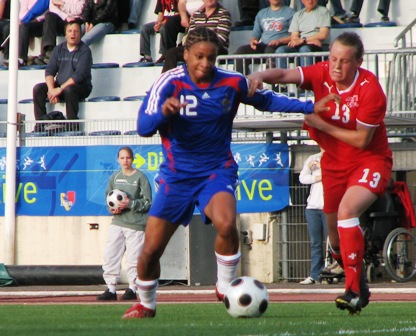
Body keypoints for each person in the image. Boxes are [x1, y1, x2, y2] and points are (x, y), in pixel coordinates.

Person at [121, 26, 338, 319]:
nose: (206, 64)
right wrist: (163, 113)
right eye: (199, 57)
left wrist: (310, 105)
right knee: (150, 250)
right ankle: (146, 304)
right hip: (177, 176)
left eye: (211, 58)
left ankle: (224, 286)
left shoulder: (231, 82)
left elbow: (268, 100)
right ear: (186, 55)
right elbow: (143, 127)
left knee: (226, 225)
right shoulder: (168, 83)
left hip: (216, 170)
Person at [247, 31, 393, 315]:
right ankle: (358, 280)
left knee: (347, 212)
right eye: (333, 58)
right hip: (333, 164)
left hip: (369, 161)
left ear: (359, 62)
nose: (336, 66)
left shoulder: (370, 90)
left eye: (345, 61)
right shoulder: (322, 73)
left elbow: (362, 140)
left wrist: (322, 126)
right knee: (335, 239)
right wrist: (260, 75)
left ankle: (351, 291)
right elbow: (286, 75)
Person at [97, 146, 152, 301]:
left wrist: (130, 204)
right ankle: (111, 289)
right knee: (111, 255)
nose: (125, 161)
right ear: (118, 160)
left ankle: (133, 288)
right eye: (122, 158)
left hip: (136, 225)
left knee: (134, 258)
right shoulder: (114, 177)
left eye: (128, 158)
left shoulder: (140, 178)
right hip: (118, 222)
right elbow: (108, 197)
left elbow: (148, 202)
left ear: (132, 159)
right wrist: (112, 209)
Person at [33, 20, 92, 132]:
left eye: (76, 31)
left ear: (81, 34)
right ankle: (41, 124)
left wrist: (59, 89)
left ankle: (73, 124)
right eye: (70, 31)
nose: (73, 34)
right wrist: (51, 90)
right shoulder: (59, 49)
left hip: (80, 87)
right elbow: (50, 70)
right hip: (60, 86)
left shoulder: (85, 51)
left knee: (70, 89)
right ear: (65, 34)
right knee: (38, 89)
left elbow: (79, 75)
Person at [161, 0, 231, 73]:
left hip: (216, 49)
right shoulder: (197, 14)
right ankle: (167, 81)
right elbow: (191, 35)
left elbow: (221, 38)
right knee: (171, 53)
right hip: (197, 47)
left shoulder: (224, 14)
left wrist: (201, 45)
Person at [234, 0, 295, 76]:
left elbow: (295, 36)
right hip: (264, 45)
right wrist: (253, 40)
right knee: (241, 51)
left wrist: (280, 41)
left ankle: (272, 83)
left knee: (269, 49)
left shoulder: (290, 12)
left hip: (280, 45)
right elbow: (256, 33)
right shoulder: (261, 13)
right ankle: (240, 82)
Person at [298, 148, 328, 285]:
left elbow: (338, 175)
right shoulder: (312, 157)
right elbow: (302, 178)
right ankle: (315, 275)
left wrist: (323, 169)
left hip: (329, 208)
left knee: (332, 244)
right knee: (315, 243)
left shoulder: (337, 157)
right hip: (312, 207)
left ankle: (330, 273)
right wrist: (318, 177)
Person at [276, 0, 330, 68]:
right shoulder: (298, 14)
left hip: (318, 46)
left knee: (304, 49)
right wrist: (301, 41)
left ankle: (306, 77)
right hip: (301, 44)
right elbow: (294, 36)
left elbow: (323, 35)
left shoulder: (323, 11)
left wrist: (304, 40)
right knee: (280, 50)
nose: (310, 1)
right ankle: (280, 77)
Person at [0, 0, 49, 67]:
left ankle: (21, 58)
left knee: (24, 27)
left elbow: (45, 12)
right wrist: (21, 20)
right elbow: (23, 13)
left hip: (41, 22)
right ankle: (8, 57)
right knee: (8, 28)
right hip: (26, 21)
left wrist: (28, 20)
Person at [34, 0, 85, 65]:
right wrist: (66, 16)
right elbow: (53, 8)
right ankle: (49, 50)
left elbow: (78, 10)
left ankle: (47, 56)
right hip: (63, 18)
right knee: (49, 16)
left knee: (51, 20)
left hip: (75, 21)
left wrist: (62, 4)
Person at [138, 0, 179, 64]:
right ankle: (147, 56)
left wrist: (161, 24)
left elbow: (177, 15)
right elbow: (161, 13)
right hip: (163, 22)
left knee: (164, 28)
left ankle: (164, 54)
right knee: (145, 28)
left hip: (172, 23)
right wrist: (157, 24)